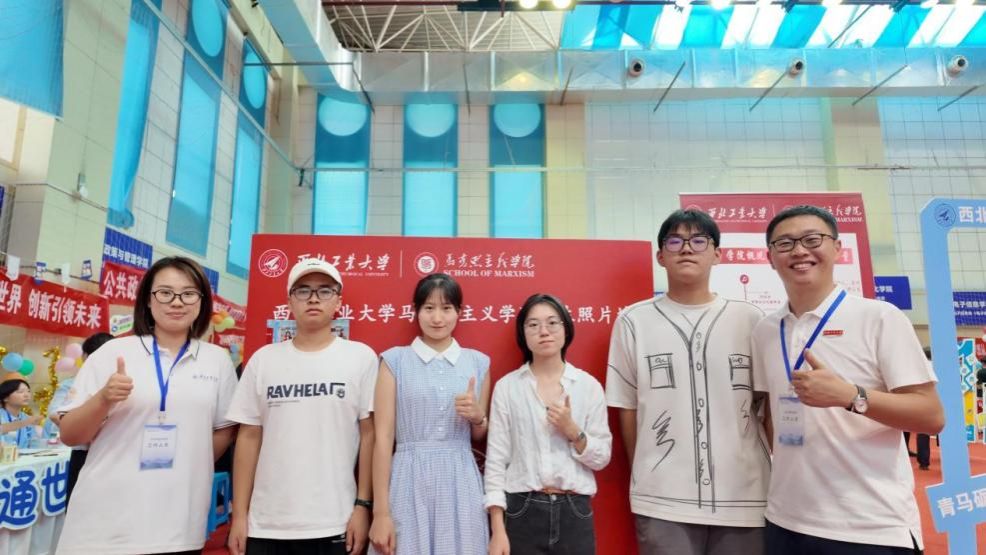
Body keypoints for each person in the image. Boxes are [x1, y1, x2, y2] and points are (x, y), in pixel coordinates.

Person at [752, 205, 944, 554]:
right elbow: (770, 416)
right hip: (784, 519)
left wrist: (851, 395)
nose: (799, 251)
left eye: (812, 239)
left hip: (869, 527)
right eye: (785, 243)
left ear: (837, 248)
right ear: (770, 257)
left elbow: (931, 416)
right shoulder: (766, 330)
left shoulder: (880, 318)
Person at [606, 209, 770, 555]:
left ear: (717, 254)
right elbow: (628, 408)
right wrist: (647, 471)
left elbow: (766, 404)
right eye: (675, 241)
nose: (686, 248)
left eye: (698, 241)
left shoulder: (750, 319)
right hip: (662, 499)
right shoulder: (634, 321)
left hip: (745, 495)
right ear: (660, 256)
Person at [56, 256, 239, 555]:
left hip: (179, 525)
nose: (177, 302)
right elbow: (70, 434)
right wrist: (104, 398)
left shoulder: (216, 360)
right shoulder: (113, 352)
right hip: (104, 523)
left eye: (188, 293)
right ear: (148, 300)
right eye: (165, 293)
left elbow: (224, 430)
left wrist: (188, 460)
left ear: (202, 302)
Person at [227, 258, 377, 555]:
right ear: (289, 301)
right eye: (303, 290)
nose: (313, 298)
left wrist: (363, 505)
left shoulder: (361, 358)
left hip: (335, 521)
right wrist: (240, 515)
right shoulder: (263, 360)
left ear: (338, 301)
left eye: (325, 291)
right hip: (266, 524)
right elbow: (248, 438)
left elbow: (370, 435)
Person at [369, 273, 491, 555]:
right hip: (408, 478)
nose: (437, 318)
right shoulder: (394, 361)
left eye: (446, 308)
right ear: (416, 311)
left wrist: (478, 416)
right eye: (429, 308)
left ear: (459, 312)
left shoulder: (478, 362)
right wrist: (381, 512)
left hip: (461, 480)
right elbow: (383, 438)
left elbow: (479, 435)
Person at [486, 293, 612, 555]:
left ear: (566, 329)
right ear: (523, 334)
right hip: (522, 509)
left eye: (552, 323)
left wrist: (572, 430)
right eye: (533, 325)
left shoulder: (588, 386)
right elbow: (496, 461)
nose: (543, 331)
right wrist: (498, 528)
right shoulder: (508, 387)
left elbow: (601, 458)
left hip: (574, 510)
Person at [46, 331, 114, 502]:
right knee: (78, 505)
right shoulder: (72, 383)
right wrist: (84, 426)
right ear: (85, 357)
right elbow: (54, 413)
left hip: (115, 453)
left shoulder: (123, 381)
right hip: (83, 453)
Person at [0, 378, 41, 448]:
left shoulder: (26, 419)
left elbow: (33, 444)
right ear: (5, 398)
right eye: (20, 392)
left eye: (28, 391)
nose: (26, 395)